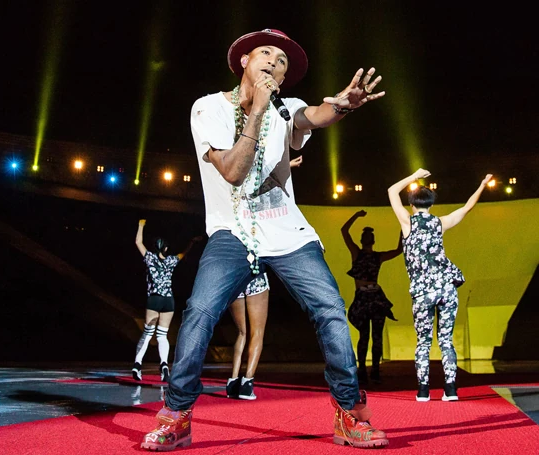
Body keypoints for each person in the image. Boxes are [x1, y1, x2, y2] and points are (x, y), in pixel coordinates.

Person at [140, 29, 389, 451]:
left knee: (330, 308)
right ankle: (177, 415)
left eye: (282, 61)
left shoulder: (285, 108)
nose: (274, 61)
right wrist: (257, 109)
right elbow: (233, 172)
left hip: (287, 231)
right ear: (244, 61)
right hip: (232, 231)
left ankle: (349, 413)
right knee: (200, 311)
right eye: (266, 53)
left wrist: (342, 105)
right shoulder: (208, 108)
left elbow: (314, 115)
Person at [388, 169, 492, 402]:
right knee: (446, 341)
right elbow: (467, 207)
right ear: (431, 205)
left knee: (423, 342)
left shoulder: (407, 222)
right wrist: (483, 185)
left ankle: (423, 391)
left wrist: (414, 176)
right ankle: (451, 390)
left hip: (423, 292)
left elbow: (392, 191)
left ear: (411, 205)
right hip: (446, 288)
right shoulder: (440, 223)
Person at [226, 156, 303, 401]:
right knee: (257, 332)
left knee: (242, 332)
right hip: (256, 273)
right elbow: (266, 185)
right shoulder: (260, 213)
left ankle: (233, 380)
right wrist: (287, 166)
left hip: (235, 273)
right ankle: (247, 383)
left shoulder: (232, 207)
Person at [133, 219, 200, 382]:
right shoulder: (171, 261)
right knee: (162, 335)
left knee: (148, 333)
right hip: (168, 301)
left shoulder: (150, 258)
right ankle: (164, 365)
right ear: (166, 248)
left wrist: (141, 225)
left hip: (154, 299)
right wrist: (191, 242)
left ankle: (137, 365)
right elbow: (183, 253)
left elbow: (138, 242)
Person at [341, 210, 402, 384]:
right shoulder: (362, 254)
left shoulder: (366, 255)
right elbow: (344, 231)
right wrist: (402, 226)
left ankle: (370, 369)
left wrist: (403, 227)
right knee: (370, 335)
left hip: (371, 298)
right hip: (369, 299)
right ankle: (367, 369)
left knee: (371, 335)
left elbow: (399, 250)